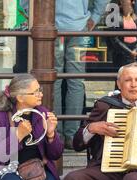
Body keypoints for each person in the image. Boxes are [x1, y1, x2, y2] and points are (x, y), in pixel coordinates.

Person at [54, 0, 111, 149]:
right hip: (78, 26)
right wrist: (95, 16)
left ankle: (54, 135)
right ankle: (72, 136)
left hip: (51, 26)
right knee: (75, 82)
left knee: (53, 81)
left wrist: (31, 14)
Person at [109, 0, 137, 71]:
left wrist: (136, 49)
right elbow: (114, 38)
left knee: (135, 74)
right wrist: (129, 51)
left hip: (135, 51)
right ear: (121, 2)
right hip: (122, 52)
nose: (132, 2)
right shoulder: (114, 16)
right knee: (122, 76)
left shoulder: (136, 16)